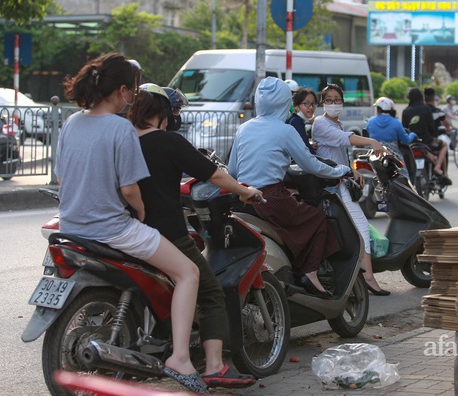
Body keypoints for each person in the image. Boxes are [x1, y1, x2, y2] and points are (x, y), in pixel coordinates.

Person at [55, 53, 208, 394]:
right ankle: (181, 358)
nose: (133, 99)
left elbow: (64, 181)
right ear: (122, 90)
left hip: (70, 227)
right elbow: (129, 189)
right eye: (133, 91)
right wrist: (139, 213)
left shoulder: (71, 123)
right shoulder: (120, 128)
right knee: (189, 273)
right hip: (111, 229)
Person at [128, 84, 260, 389]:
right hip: (167, 234)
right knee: (211, 291)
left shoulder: (122, 141)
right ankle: (214, 365)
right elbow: (213, 174)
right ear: (162, 113)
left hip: (124, 231)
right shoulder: (169, 142)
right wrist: (245, 191)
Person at [228, 77, 352, 298]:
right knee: (317, 220)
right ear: (286, 102)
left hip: (243, 198)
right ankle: (310, 273)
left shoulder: (244, 128)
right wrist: (341, 170)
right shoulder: (285, 130)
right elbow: (311, 165)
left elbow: (233, 171)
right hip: (272, 198)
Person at [312, 84, 388, 296]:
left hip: (340, 183)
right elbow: (345, 139)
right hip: (332, 187)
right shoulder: (320, 123)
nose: (334, 103)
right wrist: (372, 141)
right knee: (362, 228)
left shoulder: (337, 124)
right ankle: (368, 277)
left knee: (355, 229)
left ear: (342, 102)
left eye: (337, 99)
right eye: (329, 99)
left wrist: (353, 172)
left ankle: (362, 274)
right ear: (323, 102)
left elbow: (340, 153)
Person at [403, 88, 451, 185]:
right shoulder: (426, 109)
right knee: (444, 145)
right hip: (427, 140)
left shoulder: (406, 111)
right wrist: (433, 136)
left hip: (412, 142)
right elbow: (431, 126)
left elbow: (404, 129)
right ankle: (437, 167)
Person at [366, 96, 417, 180]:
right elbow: (406, 140)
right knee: (404, 176)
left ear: (378, 109)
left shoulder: (371, 121)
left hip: (373, 153)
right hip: (391, 154)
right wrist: (413, 135)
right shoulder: (396, 123)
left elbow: (366, 133)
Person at [287, 88, 317, 154]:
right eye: (306, 103)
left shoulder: (295, 120)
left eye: (313, 104)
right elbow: (306, 153)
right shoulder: (296, 122)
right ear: (296, 106)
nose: (311, 107)